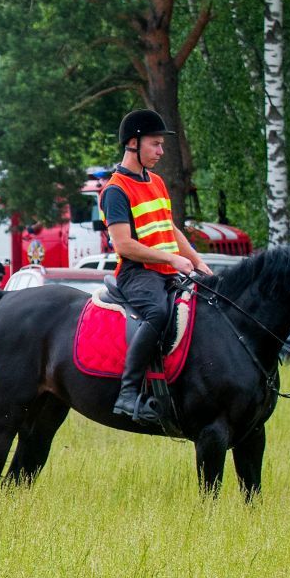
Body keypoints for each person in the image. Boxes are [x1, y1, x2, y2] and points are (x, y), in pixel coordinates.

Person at [100, 108, 209, 427]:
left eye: (162, 145)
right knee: (158, 314)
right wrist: (173, 260)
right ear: (133, 143)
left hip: (164, 271)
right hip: (136, 274)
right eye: (156, 144)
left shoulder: (157, 182)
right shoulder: (115, 190)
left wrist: (198, 261)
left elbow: (170, 229)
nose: (161, 151)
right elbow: (123, 245)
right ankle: (128, 393)